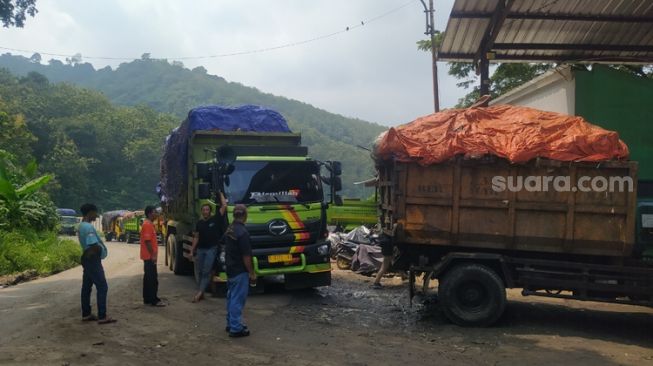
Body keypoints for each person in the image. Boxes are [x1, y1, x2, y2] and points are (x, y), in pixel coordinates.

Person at [78, 203, 116, 324]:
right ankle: (102, 315)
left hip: (88, 260)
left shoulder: (81, 226)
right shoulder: (88, 227)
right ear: (90, 213)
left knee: (86, 287)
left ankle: (86, 313)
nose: (97, 215)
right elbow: (93, 244)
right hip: (93, 260)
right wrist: (98, 250)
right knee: (102, 286)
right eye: (95, 212)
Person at [224, 204, 256, 338]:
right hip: (240, 270)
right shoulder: (243, 233)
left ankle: (231, 323)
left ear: (234, 215)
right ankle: (236, 328)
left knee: (231, 297)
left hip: (230, 268)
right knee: (237, 299)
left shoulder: (230, 229)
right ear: (245, 215)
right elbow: (246, 256)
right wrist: (251, 273)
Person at [190, 193, 227, 303]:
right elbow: (196, 237)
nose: (205, 211)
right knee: (200, 271)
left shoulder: (215, 219)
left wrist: (220, 193)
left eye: (207, 210)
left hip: (212, 249)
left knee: (206, 271)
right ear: (201, 212)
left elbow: (224, 206)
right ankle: (201, 291)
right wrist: (192, 250)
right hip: (201, 249)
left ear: (210, 211)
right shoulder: (199, 223)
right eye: (203, 210)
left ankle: (199, 293)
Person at [141, 206, 165, 307]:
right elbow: (147, 241)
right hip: (149, 256)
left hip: (148, 256)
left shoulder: (149, 224)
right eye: (155, 212)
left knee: (147, 278)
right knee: (152, 279)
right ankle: (153, 300)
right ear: (150, 213)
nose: (156, 214)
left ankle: (147, 298)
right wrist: (153, 255)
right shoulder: (147, 225)